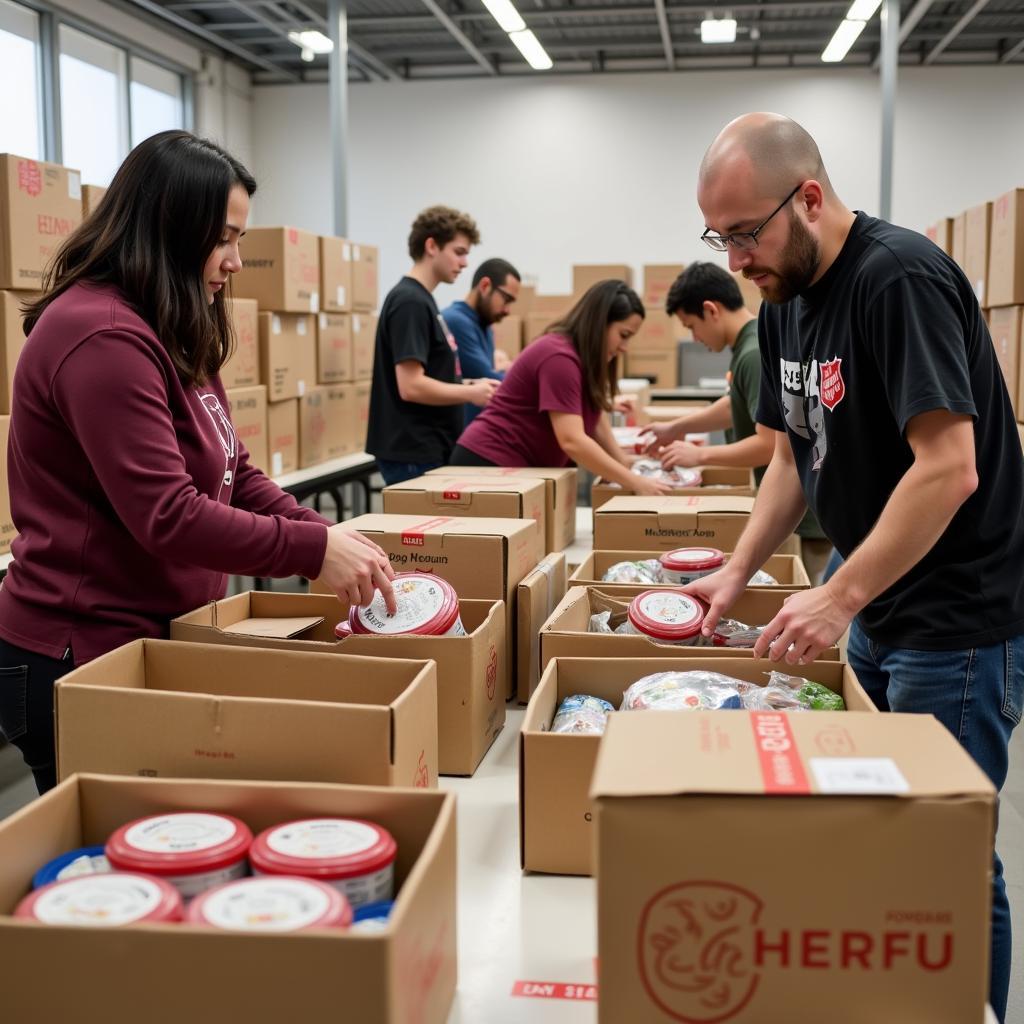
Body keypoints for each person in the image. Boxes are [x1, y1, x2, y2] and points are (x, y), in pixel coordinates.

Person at [683, 112, 1023, 1021]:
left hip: (954, 627)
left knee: (944, 852)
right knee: (880, 838)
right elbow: (796, 454)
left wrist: (838, 592)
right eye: (719, 237)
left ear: (810, 197)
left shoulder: (896, 278)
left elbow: (951, 466)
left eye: (746, 233)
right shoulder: (788, 301)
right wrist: (739, 572)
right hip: (878, 613)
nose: (736, 258)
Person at [0, 131, 397, 796]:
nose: (237, 261)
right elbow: (168, 515)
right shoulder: (101, 334)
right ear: (168, 229)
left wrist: (330, 537)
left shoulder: (167, 324)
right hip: (80, 653)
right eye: (224, 239)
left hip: (152, 636)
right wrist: (310, 548)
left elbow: (236, 473)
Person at [643, 262, 832, 580]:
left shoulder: (752, 353)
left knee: (810, 596)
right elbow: (738, 403)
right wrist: (678, 427)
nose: (694, 337)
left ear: (711, 310)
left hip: (803, 513)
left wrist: (699, 455)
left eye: (691, 326)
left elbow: (768, 445)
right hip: (795, 504)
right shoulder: (749, 344)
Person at [448, 280, 673, 496]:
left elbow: (592, 417)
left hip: (515, 470)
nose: (624, 347)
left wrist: (622, 463)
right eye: (623, 335)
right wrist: (635, 481)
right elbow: (572, 440)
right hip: (487, 464)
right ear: (599, 324)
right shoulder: (559, 357)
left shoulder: (581, 358)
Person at [365, 206, 498, 485]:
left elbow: (430, 374)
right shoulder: (410, 302)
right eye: (459, 252)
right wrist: (469, 394)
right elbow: (411, 386)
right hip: (413, 453)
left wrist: (471, 384)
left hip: (426, 449)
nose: (464, 263)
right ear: (431, 246)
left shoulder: (422, 300)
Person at [442, 258, 521, 425]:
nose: (507, 310)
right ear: (485, 286)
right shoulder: (456, 321)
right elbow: (489, 378)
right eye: (506, 299)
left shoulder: (485, 324)